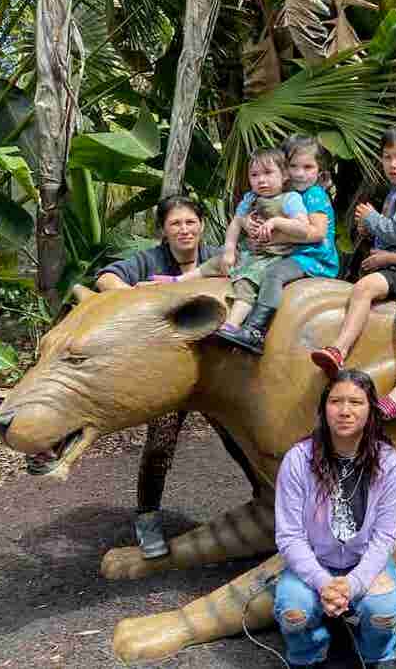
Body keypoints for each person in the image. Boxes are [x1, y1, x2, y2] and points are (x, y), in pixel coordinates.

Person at [95, 196, 255, 558]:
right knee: (159, 445)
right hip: (170, 375)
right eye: (175, 224)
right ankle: (148, 519)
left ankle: (268, 504)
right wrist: (143, 300)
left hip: (214, 374)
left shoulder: (220, 257)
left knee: (237, 438)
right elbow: (105, 278)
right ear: (163, 231)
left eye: (190, 222)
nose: (184, 230)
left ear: (201, 225)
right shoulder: (150, 260)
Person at [272, 369, 396, 669]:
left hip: (365, 562)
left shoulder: (390, 464)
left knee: (383, 611)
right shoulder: (298, 459)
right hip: (314, 560)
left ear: (371, 410)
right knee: (294, 612)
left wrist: (353, 584)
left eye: (356, 402)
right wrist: (324, 583)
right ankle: (309, 653)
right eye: (335, 401)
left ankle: (378, 655)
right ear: (324, 408)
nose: (345, 411)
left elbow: (385, 538)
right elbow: (289, 536)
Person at [310, 131, 396, 377]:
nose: (393, 165)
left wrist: (373, 219)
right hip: (391, 265)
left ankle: (339, 349)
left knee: (364, 288)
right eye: (387, 157)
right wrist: (371, 227)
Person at [157, 148, 318, 354]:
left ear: (284, 175)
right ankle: (179, 280)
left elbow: (303, 228)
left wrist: (277, 222)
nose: (261, 180)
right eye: (254, 175)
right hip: (250, 251)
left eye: (268, 173)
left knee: (248, 281)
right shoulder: (250, 198)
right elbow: (235, 224)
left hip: (272, 256)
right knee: (216, 262)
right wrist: (229, 250)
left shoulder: (290, 199)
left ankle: (232, 324)